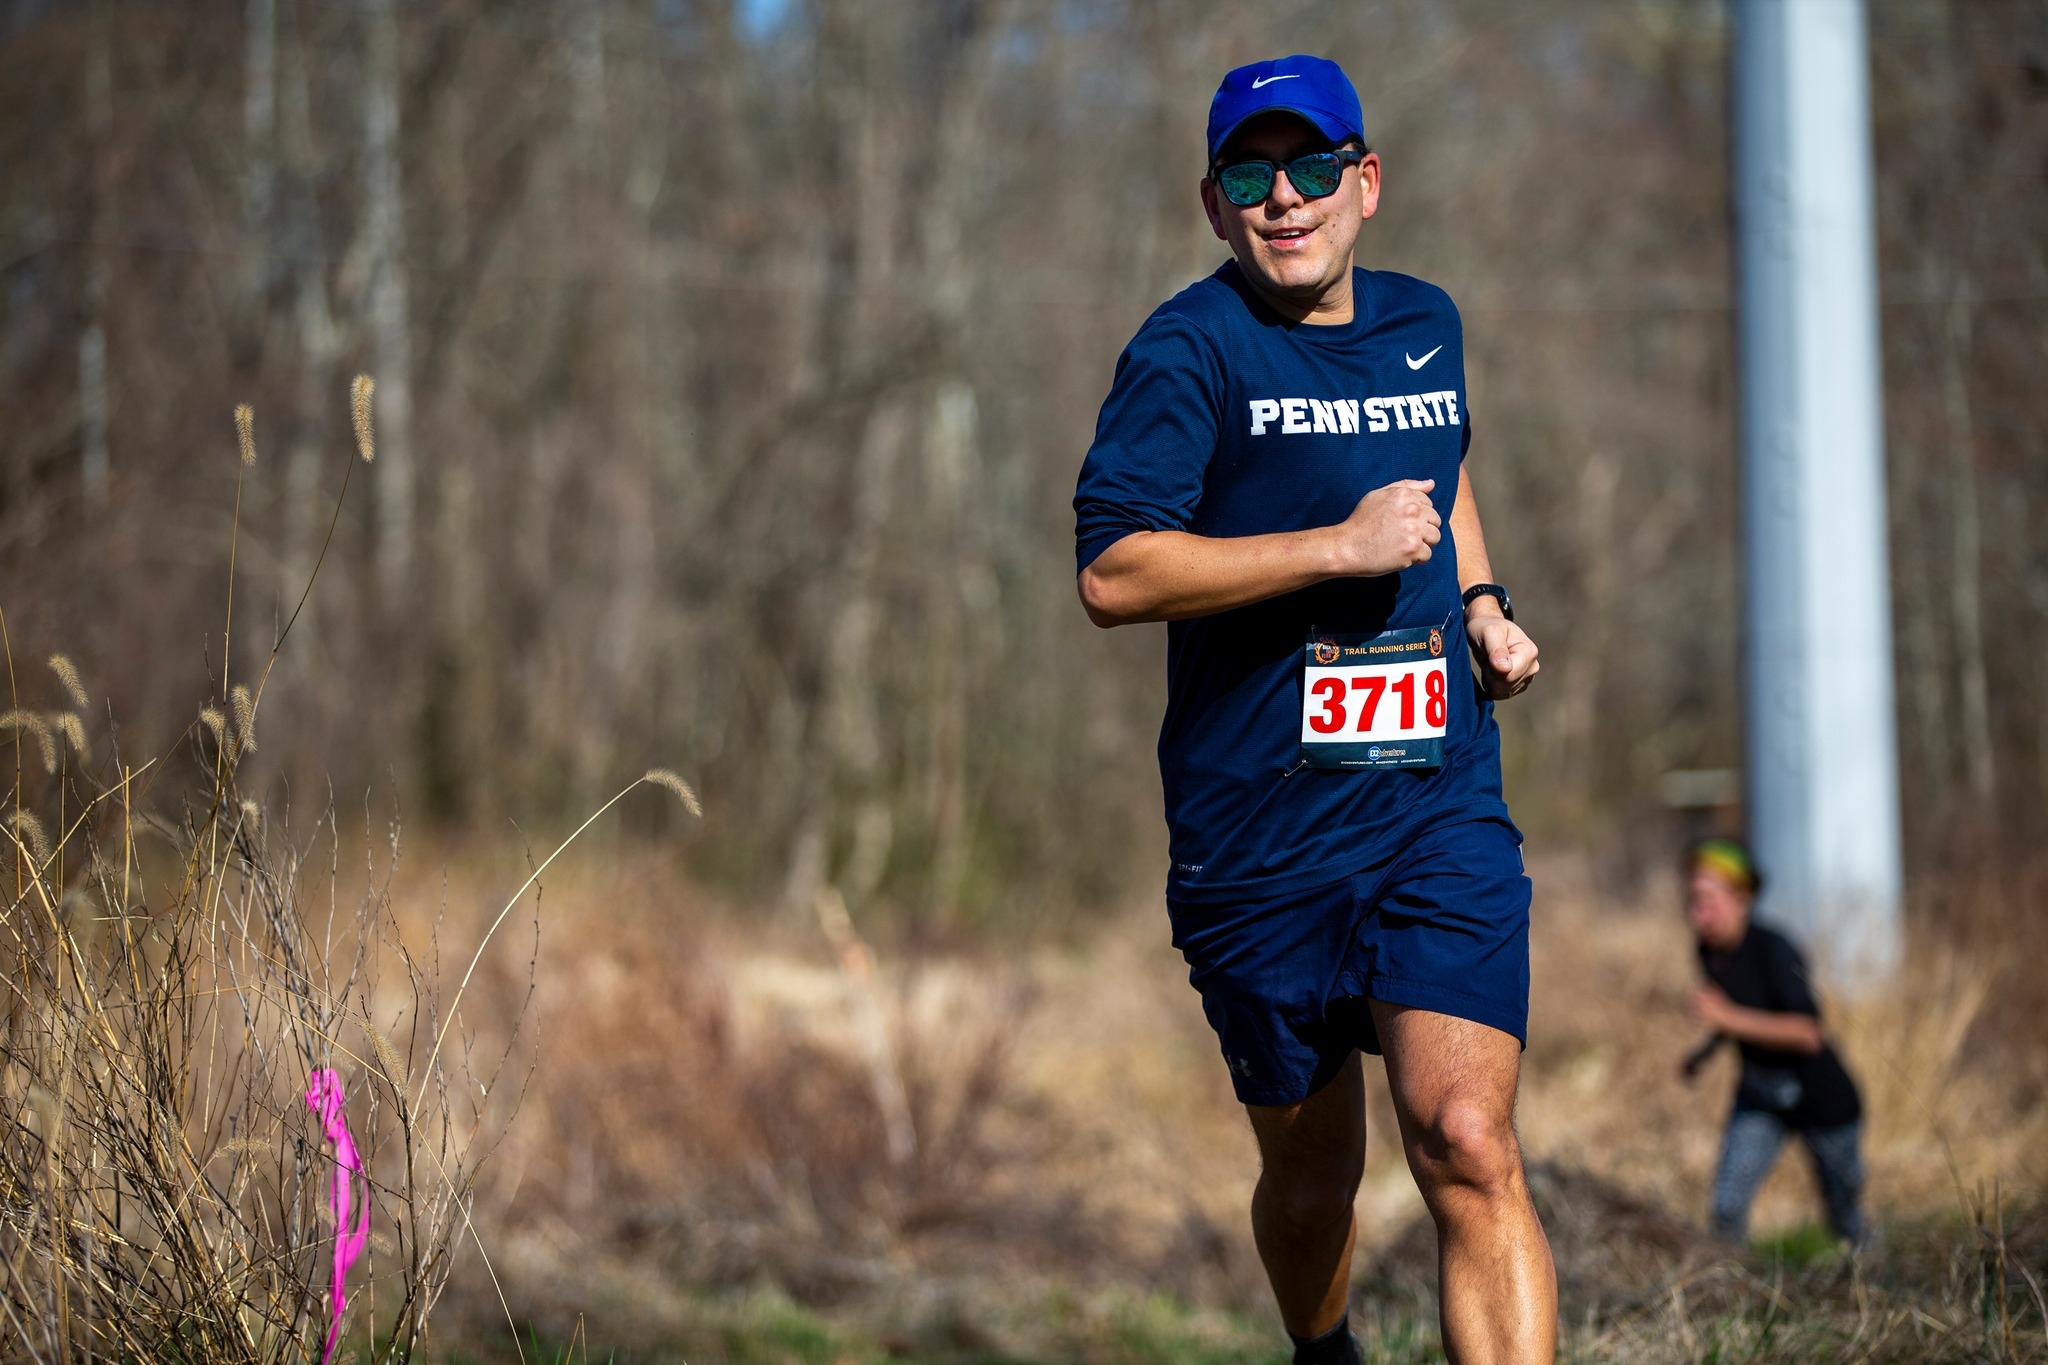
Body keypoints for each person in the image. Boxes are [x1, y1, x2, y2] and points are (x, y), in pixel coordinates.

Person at [1072, 54, 1553, 1365]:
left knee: (1464, 1136)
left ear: (1366, 182)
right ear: (1216, 204)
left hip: (1431, 809)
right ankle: (1326, 1354)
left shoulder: (1427, 322)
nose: (1285, 198)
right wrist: (1331, 548)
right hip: (1259, 844)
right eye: (1249, 174)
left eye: (1312, 168)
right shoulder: (1188, 354)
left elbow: (1436, 471)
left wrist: (1480, 605)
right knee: (1311, 1179)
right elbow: (1115, 573)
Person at [1680, 838, 1868, 1247]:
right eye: (1692, 902)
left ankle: (1877, 1288)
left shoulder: (1774, 949)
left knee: (1846, 1219)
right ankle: (1731, 1294)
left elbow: (1807, 1033)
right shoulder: (1709, 951)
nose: (1698, 915)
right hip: (1761, 1094)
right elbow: (1736, 1016)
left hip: (1822, 1100)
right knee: (1726, 1210)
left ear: (1742, 898)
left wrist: (1725, 1017)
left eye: (1708, 901)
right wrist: (1704, 1054)